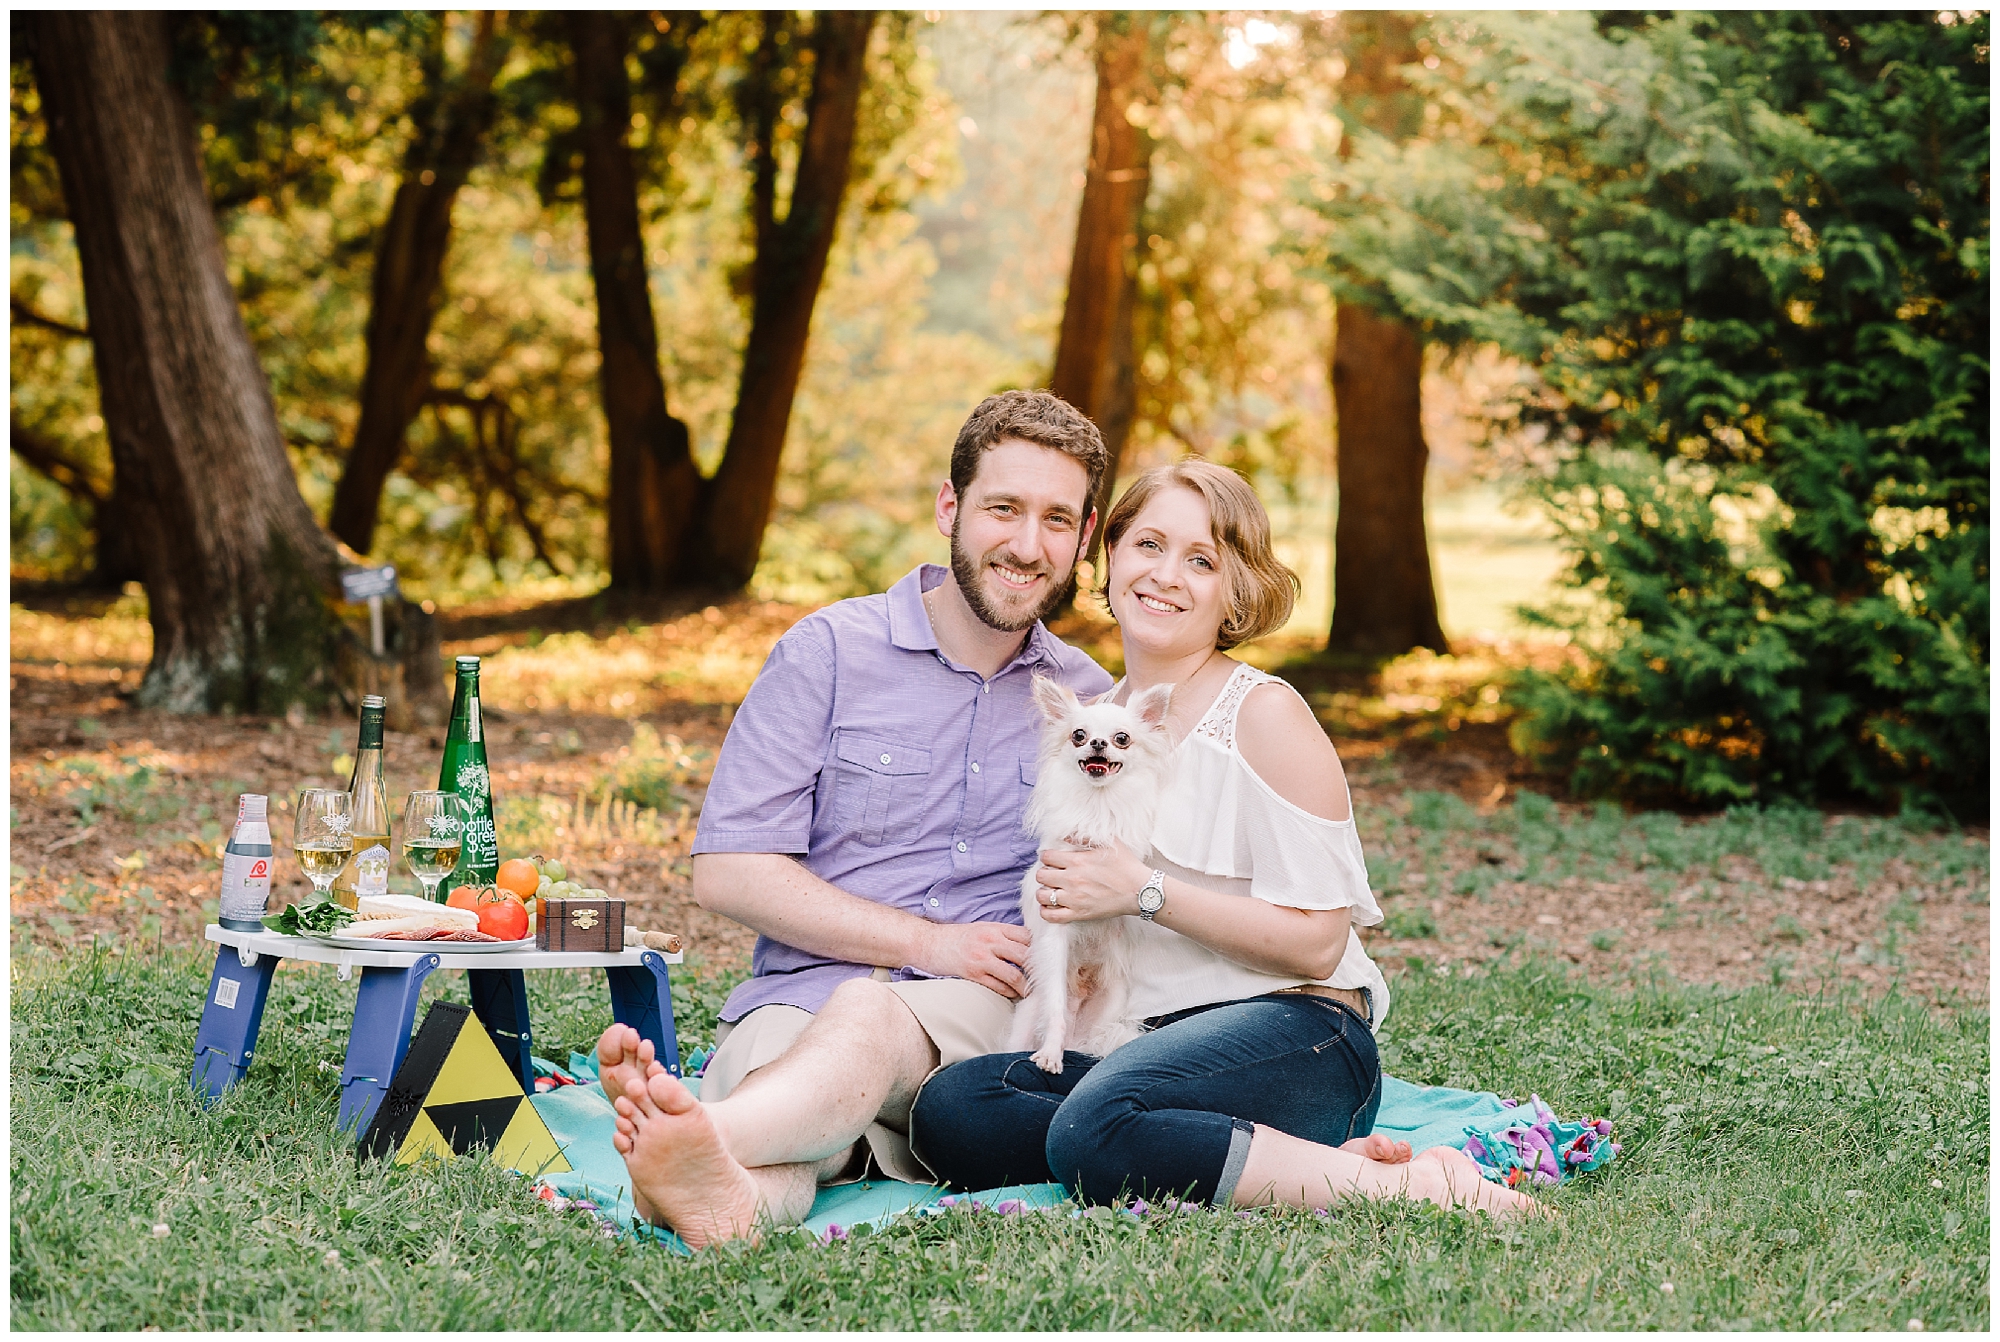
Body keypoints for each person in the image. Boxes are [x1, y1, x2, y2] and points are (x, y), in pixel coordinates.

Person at [905, 460, 1541, 1218]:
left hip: (1297, 1032)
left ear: (1235, 589)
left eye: (1201, 560)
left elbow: (1318, 943)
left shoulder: (1264, 715)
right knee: (955, 1109)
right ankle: (1281, 1160)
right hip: (1150, 1045)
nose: (1165, 575)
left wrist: (1143, 892)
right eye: (1148, 545)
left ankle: (1412, 1185)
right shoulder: (1101, 726)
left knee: (1094, 1128)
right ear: (1111, 554)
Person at [593, 390, 1115, 1246]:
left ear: (1084, 536)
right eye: (1003, 509)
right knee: (794, 1118)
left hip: (978, 1013)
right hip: (802, 993)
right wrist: (923, 941)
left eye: (1057, 519)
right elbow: (728, 870)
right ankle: (719, 1200)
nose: (1028, 546)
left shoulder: (1092, 707)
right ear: (949, 507)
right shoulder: (827, 652)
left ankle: (693, 1135)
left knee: (860, 1026)